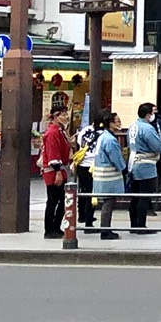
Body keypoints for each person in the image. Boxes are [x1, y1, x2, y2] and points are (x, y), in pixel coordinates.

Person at [126, 103, 161, 234]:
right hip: (146, 164)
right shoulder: (147, 128)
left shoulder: (132, 127)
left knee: (135, 196)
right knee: (144, 196)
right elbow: (158, 146)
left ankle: (134, 225)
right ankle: (141, 226)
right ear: (148, 115)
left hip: (133, 162)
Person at [90, 111, 128, 240]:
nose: (120, 123)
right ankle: (105, 230)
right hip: (109, 177)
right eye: (117, 121)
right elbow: (116, 159)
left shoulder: (103, 136)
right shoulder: (110, 140)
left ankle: (105, 229)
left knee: (107, 203)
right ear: (111, 124)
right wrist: (124, 168)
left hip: (101, 175)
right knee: (108, 203)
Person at [38, 102, 72, 239]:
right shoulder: (52, 133)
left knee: (60, 200)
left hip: (58, 169)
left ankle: (55, 227)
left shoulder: (59, 131)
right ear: (56, 117)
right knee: (54, 200)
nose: (66, 117)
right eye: (63, 114)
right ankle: (50, 229)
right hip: (53, 170)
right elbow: (53, 154)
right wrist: (57, 171)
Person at [74, 116, 102, 232]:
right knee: (92, 193)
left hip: (82, 164)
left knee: (83, 191)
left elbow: (79, 143)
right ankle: (89, 222)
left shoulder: (85, 130)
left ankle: (82, 215)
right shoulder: (102, 134)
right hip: (93, 165)